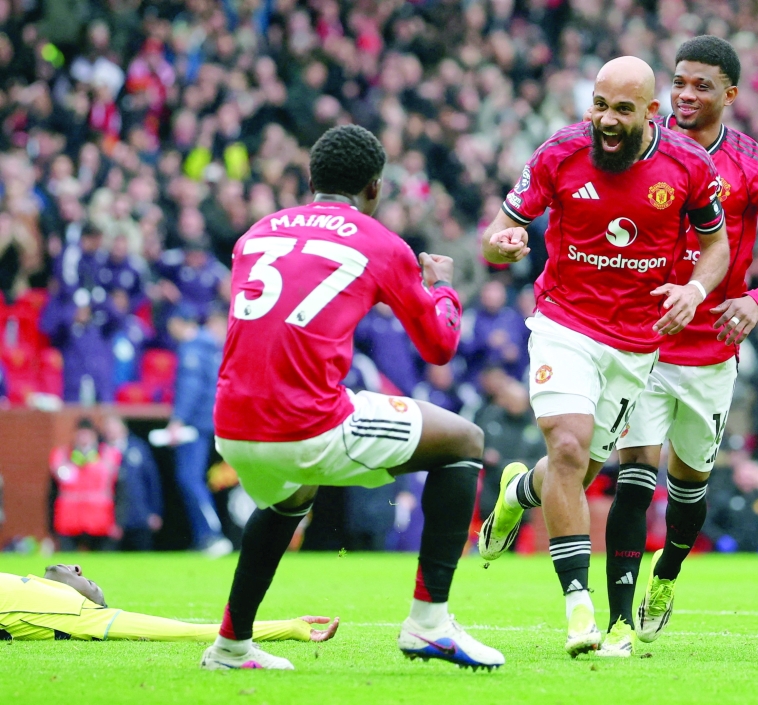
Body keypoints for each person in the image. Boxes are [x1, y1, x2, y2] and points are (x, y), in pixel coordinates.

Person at [205, 125, 503, 671]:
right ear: (375, 188)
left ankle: (230, 646)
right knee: (465, 439)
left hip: (231, 425)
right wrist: (442, 287)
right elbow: (440, 347)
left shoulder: (255, 233)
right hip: (306, 424)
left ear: (310, 179)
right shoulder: (378, 240)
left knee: (290, 498)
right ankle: (429, 624)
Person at [477, 55, 728, 657]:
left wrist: (694, 290)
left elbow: (715, 244)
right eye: (599, 105)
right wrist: (501, 244)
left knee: (578, 472)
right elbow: (496, 233)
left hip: (635, 345)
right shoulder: (559, 153)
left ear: (651, 112)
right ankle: (577, 609)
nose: (607, 120)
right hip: (564, 324)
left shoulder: (689, 166)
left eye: (622, 110)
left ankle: (519, 495)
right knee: (566, 446)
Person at [593, 36, 758, 655]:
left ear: (730, 94)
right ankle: (616, 621)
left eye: (702, 86)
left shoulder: (753, 165)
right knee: (634, 477)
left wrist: (756, 300)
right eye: (680, 82)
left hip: (711, 352)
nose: (686, 96)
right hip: (643, 339)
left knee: (690, 488)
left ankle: (666, 578)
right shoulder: (642, 143)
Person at [0, 564, 338, 644]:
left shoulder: (77, 613)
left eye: (87, 583)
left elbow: (189, 632)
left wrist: (289, 627)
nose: (77, 568)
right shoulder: (33, 583)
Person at [166, 304, 231, 556]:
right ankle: (206, 536)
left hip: (194, 424)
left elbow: (191, 387)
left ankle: (211, 535)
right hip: (210, 420)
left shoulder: (192, 346)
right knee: (191, 478)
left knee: (189, 479)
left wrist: (178, 419)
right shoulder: (212, 348)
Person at [49, 418, 121, 551]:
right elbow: (52, 493)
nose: (84, 437)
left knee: (101, 564)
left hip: (100, 521)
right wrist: (51, 525)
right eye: (81, 433)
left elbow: (121, 491)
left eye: (87, 433)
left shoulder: (109, 455)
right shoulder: (62, 455)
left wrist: (119, 521)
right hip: (68, 520)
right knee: (67, 565)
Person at [103, 415, 162, 551]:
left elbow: (152, 481)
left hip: (140, 514)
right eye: (108, 428)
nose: (110, 431)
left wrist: (155, 512)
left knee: (143, 555)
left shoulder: (138, 448)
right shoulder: (101, 451)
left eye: (114, 427)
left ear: (123, 428)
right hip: (112, 519)